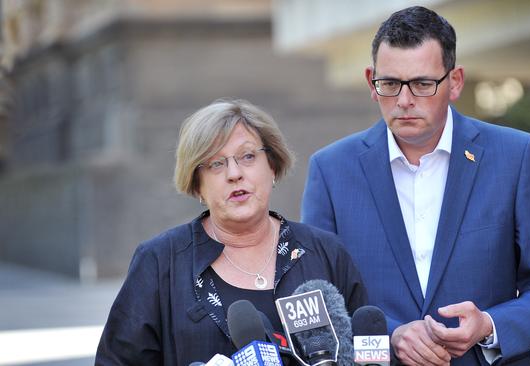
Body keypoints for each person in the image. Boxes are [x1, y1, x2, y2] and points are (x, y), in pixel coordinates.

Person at [301, 6, 530, 366]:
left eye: (422, 84)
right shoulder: (331, 169)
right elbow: (316, 299)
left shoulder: (515, 157)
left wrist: (489, 325)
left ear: (456, 82)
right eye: (389, 84)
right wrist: (390, 336)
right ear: (371, 80)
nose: (404, 100)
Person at [96, 99, 367, 365]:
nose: (234, 173)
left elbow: (365, 347)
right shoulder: (159, 262)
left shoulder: (325, 252)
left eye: (248, 156)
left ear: (271, 165)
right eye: (216, 164)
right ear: (197, 184)